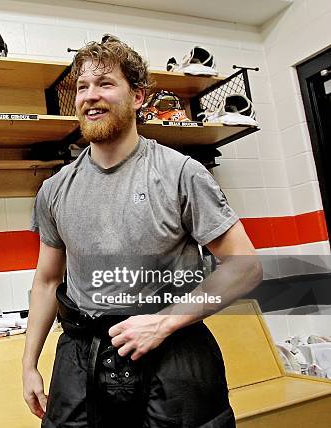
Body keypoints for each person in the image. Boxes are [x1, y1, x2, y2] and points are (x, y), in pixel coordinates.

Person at [22, 35, 262, 428]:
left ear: (137, 96)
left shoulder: (180, 173)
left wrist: (164, 322)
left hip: (173, 350)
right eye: (82, 86)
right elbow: (47, 281)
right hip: (83, 355)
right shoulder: (55, 189)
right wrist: (29, 362)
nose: (90, 96)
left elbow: (245, 267)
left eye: (105, 83)